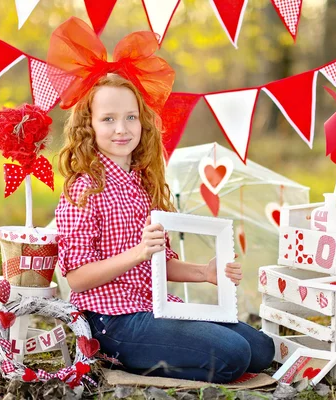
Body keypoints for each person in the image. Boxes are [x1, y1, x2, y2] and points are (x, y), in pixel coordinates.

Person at [50, 17, 274, 384]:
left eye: (130, 118)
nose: (121, 129)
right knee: (235, 357)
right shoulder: (84, 189)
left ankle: (172, 349)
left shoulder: (141, 183)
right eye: (108, 119)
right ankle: (120, 361)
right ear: (89, 125)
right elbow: (76, 279)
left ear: (143, 123)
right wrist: (137, 252)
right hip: (111, 321)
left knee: (262, 350)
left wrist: (205, 273)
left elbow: (159, 262)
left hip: (153, 306)